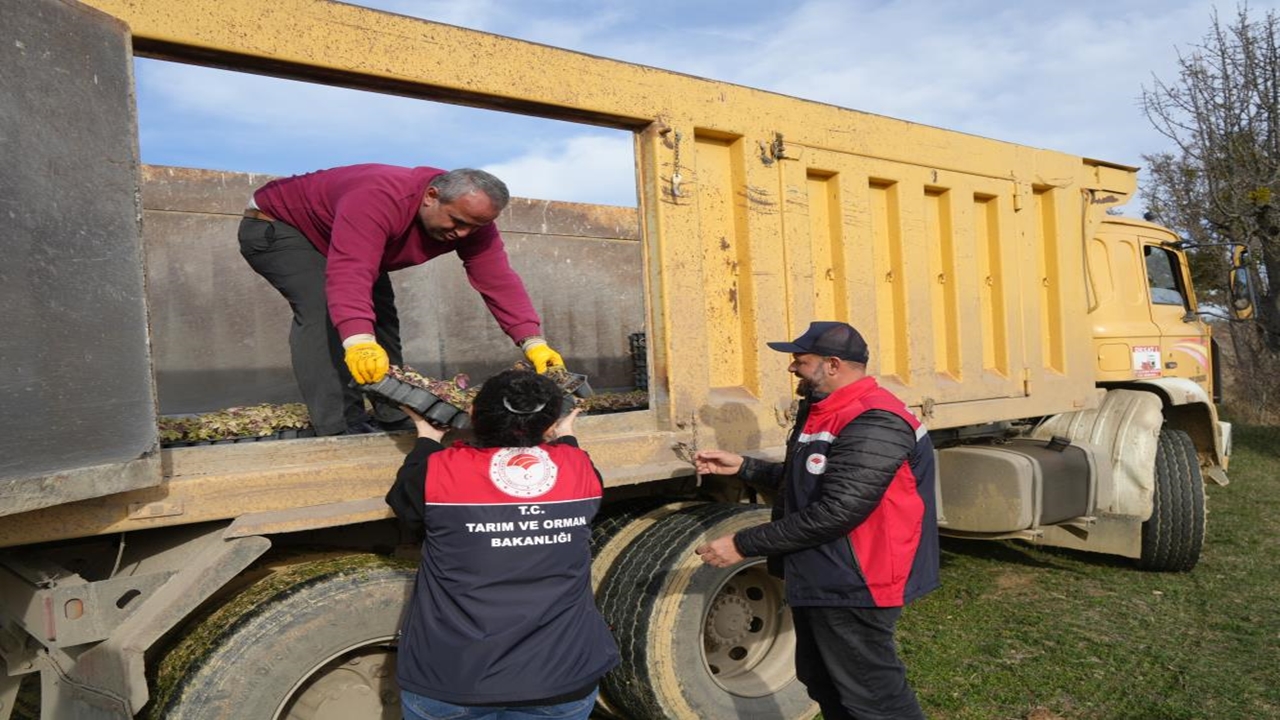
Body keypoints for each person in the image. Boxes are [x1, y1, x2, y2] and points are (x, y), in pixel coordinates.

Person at [693, 321, 939, 720]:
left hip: (858, 578)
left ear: (833, 364)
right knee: (822, 680)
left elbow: (839, 509)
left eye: (800, 361)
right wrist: (745, 467)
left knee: (873, 696)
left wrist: (742, 544)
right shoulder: (827, 411)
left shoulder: (874, 420)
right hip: (826, 572)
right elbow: (812, 480)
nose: (792, 368)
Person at [238, 164, 565, 436]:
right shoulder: (379, 196)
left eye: (475, 227)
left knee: (382, 321)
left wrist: (532, 341)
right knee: (327, 311)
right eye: (457, 222)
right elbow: (350, 270)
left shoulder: (474, 223)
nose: (463, 234)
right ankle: (339, 429)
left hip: (345, 240)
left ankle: (394, 415)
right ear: (431, 196)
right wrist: (358, 341)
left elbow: (498, 279)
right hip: (279, 226)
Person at [385, 369, 619, 720]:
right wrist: (567, 438)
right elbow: (570, 456)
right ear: (549, 425)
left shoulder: (437, 471)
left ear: (475, 417)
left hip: (454, 678)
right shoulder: (579, 468)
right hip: (560, 678)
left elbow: (404, 503)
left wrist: (427, 440)